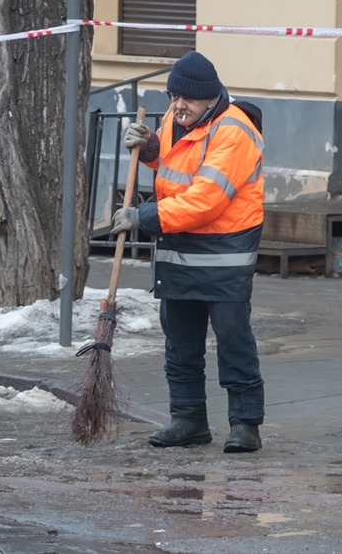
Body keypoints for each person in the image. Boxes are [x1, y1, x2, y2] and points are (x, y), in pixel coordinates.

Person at [112, 50, 266, 451]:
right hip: (179, 249)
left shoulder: (234, 131)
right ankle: (188, 419)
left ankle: (246, 424)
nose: (177, 106)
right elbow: (173, 161)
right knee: (180, 342)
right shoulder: (176, 118)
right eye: (172, 97)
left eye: (187, 99)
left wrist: (143, 217)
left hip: (223, 253)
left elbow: (206, 199)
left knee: (233, 339)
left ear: (210, 97)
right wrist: (148, 148)